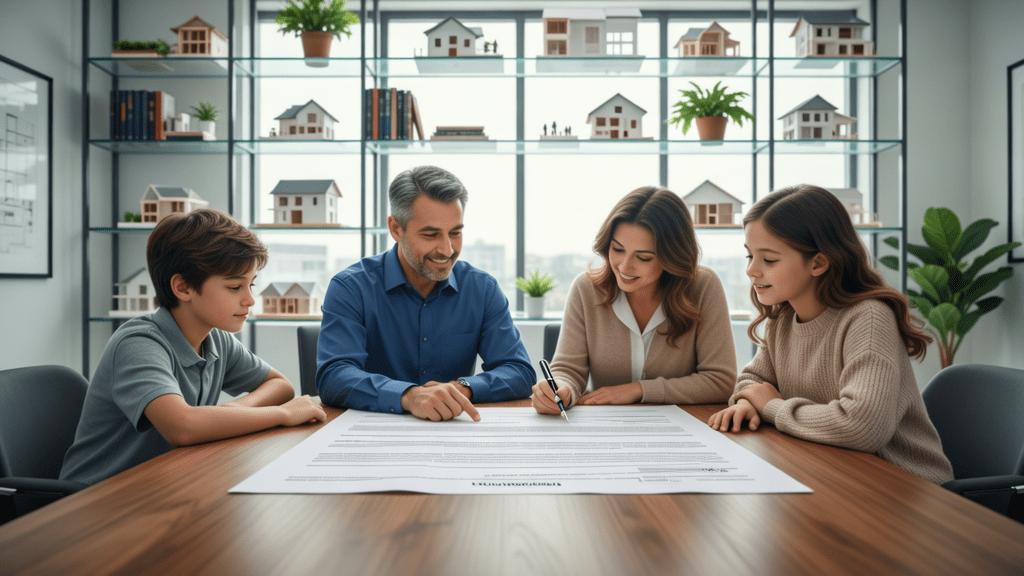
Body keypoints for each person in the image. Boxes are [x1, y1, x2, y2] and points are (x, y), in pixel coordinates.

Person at [707, 184, 953, 484]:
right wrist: (748, 403)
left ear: (819, 262)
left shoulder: (869, 319)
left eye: (769, 260)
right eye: (749, 257)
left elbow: (863, 427)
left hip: (904, 487)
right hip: (835, 472)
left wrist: (771, 407)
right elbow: (752, 382)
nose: (752, 271)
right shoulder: (783, 318)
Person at [61, 209, 325, 486]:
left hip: (162, 484)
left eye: (251, 285)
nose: (249, 300)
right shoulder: (138, 344)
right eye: (235, 287)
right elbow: (182, 426)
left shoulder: (216, 339)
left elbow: (280, 385)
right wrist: (281, 415)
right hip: (94, 500)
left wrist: (233, 411)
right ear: (183, 288)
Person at [317, 165, 535, 421]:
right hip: (373, 436)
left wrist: (459, 389)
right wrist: (409, 396)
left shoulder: (482, 289)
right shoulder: (351, 288)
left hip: (452, 431)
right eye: (431, 234)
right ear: (396, 228)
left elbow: (519, 371)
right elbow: (334, 376)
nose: (446, 249)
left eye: (455, 233)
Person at [533, 186, 737, 415]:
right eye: (617, 249)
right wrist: (561, 389)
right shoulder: (586, 289)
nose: (624, 266)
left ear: (672, 256)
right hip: (609, 432)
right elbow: (568, 370)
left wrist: (639, 390)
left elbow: (721, 381)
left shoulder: (703, 287)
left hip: (686, 431)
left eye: (643, 257)